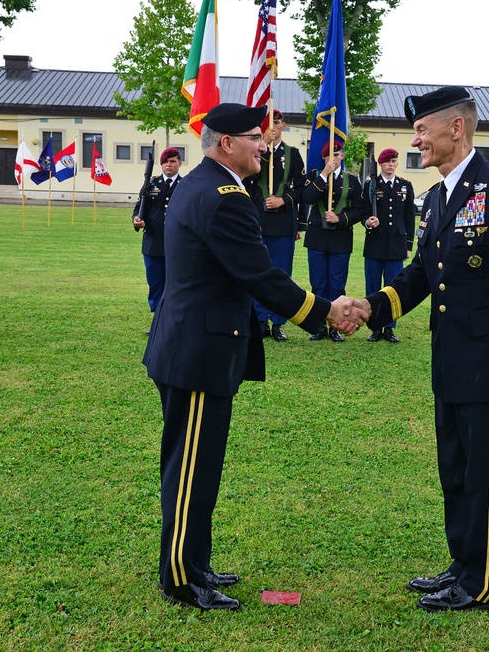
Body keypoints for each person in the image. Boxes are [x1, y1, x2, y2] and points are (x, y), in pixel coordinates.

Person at [142, 103, 366, 612]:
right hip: (198, 353)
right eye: (254, 138)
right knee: (191, 470)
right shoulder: (223, 197)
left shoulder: (207, 186)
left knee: (197, 465)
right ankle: (181, 578)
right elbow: (260, 275)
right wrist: (325, 311)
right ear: (226, 143)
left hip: (192, 345)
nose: (264, 146)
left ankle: (192, 561)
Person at [360, 87, 489, 612]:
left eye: (422, 130)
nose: (415, 139)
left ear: (456, 129)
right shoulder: (439, 195)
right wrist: (372, 308)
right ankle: (462, 564)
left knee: (486, 476)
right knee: (457, 470)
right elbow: (424, 274)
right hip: (451, 361)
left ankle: (484, 583)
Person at [244, 109, 306, 342]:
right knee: (259, 272)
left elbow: (301, 188)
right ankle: (260, 320)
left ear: (284, 125)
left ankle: (278, 322)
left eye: (277, 122)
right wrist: (263, 146)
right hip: (257, 221)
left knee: (281, 274)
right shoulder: (253, 153)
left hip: (282, 224)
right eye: (268, 123)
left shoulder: (293, 154)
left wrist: (283, 200)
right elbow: (246, 179)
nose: (273, 126)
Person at [301, 140, 368, 342]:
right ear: (324, 158)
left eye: (338, 155)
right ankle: (319, 325)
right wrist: (323, 176)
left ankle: (336, 327)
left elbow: (360, 210)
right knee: (319, 284)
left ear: (343, 156)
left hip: (340, 238)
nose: (334, 159)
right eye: (330, 155)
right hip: (317, 238)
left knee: (337, 285)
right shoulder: (314, 177)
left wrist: (340, 219)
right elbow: (307, 198)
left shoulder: (352, 181)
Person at [361, 148, 415, 343]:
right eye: (387, 162)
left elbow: (410, 217)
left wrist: (408, 245)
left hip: (396, 245)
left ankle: (390, 328)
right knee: (374, 288)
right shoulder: (370, 185)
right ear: (380, 164)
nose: (390, 165)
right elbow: (363, 212)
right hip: (375, 243)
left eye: (394, 161)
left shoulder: (405, 186)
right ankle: (375, 326)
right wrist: (368, 222)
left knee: (393, 288)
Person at [132, 147, 182, 315]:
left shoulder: (186, 186)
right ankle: (157, 320)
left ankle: (171, 320)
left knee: (175, 285)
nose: (169, 165)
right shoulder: (150, 184)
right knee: (155, 284)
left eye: (173, 161)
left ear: (179, 164)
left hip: (177, 245)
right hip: (153, 244)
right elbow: (139, 208)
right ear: (161, 165)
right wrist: (136, 220)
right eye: (166, 162)